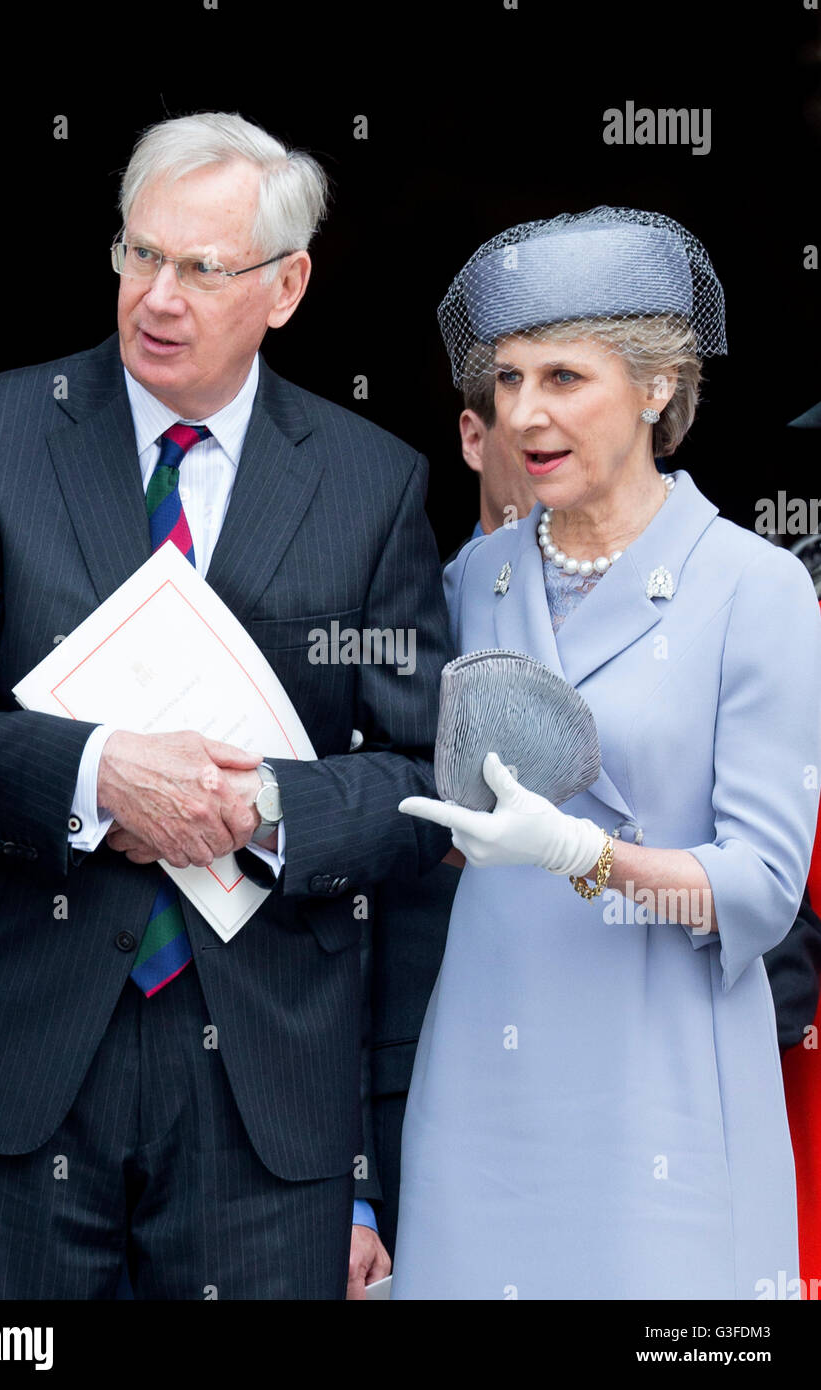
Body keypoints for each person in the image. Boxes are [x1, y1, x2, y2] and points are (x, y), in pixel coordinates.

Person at [0, 111, 452, 1300]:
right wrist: (95, 778)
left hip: (263, 1097)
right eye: (139, 254)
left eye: (201, 269)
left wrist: (263, 808)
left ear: (286, 285)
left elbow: (423, 776)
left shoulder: (371, 482)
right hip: (13, 1066)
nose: (157, 296)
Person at [393, 207, 821, 1299]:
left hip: (660, 1086)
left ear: (656, 386)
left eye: (564, 379)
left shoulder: (753, 588)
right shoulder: (469, 583)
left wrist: (575, 853)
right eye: (508, 380)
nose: (524, 413)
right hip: (483, 1091)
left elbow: (763, 891)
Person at [363, 353, 536, 1256]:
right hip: (412, 1076)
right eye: (519, 396)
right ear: (472, 435)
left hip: (627, 1076)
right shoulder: (380, 626)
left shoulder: (693, 623)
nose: (550, 428)